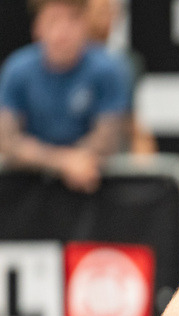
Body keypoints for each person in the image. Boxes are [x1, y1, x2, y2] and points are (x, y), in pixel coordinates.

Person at [0, 0, 131, 193]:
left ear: (86, 24)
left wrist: (76, 160)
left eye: (73, 19)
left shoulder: (109, 69)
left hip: (94, 188)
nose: (63, 31)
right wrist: (63, 162)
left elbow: (108, 137)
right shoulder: (17, 70)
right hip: (29, 193)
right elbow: (7, 140)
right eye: (53, 20)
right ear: (37, 27)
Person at [85, 0, 156, 156]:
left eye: (111, 11)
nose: (106, 18)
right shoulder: (49, 63)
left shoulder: (125, 64)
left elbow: (135, 126)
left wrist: (143, 166)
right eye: (100, 11)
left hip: (108, 158)